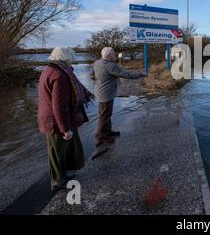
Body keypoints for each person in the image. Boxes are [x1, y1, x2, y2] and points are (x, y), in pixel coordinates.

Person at [38, 47, 94, 192]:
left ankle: (65, 174)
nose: (73, 60)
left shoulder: (48, 70)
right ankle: (57, 181)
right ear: (66, 58)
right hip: (55, 120)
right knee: (57, 151)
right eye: (72, 57)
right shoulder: (60, 75)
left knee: (65, 148)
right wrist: (65, 128)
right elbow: (59, 105)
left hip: (52, 117)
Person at [92, 47, 147, 147]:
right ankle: (100, 137)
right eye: (113, 54)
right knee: (104, 116)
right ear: (109, 56)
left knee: (106, 114)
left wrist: (100, 82)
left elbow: (93, 75)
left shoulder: (97, 62)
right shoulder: (110, 65)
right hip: (106, 94)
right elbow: (125, 74)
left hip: (101, 92)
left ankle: (108, 132)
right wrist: (141, 74)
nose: (115, 55)